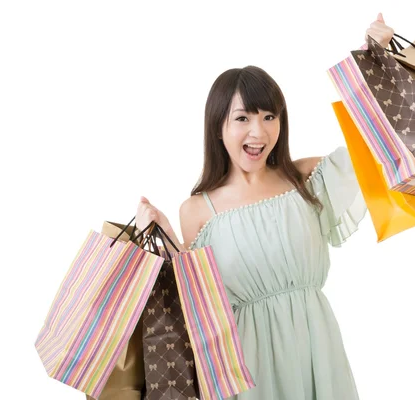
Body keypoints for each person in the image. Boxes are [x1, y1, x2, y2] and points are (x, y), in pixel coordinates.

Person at [136, 13, 395, 400]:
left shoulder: (307, 178)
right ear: (218, 126)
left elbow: (375, 144)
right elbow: (197, 304)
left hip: (317, 354)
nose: (259, 132)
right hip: (248, 370)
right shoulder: (196, 210)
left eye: (269, 116)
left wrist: (376, 63)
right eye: (243, 118)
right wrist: (161, 235)